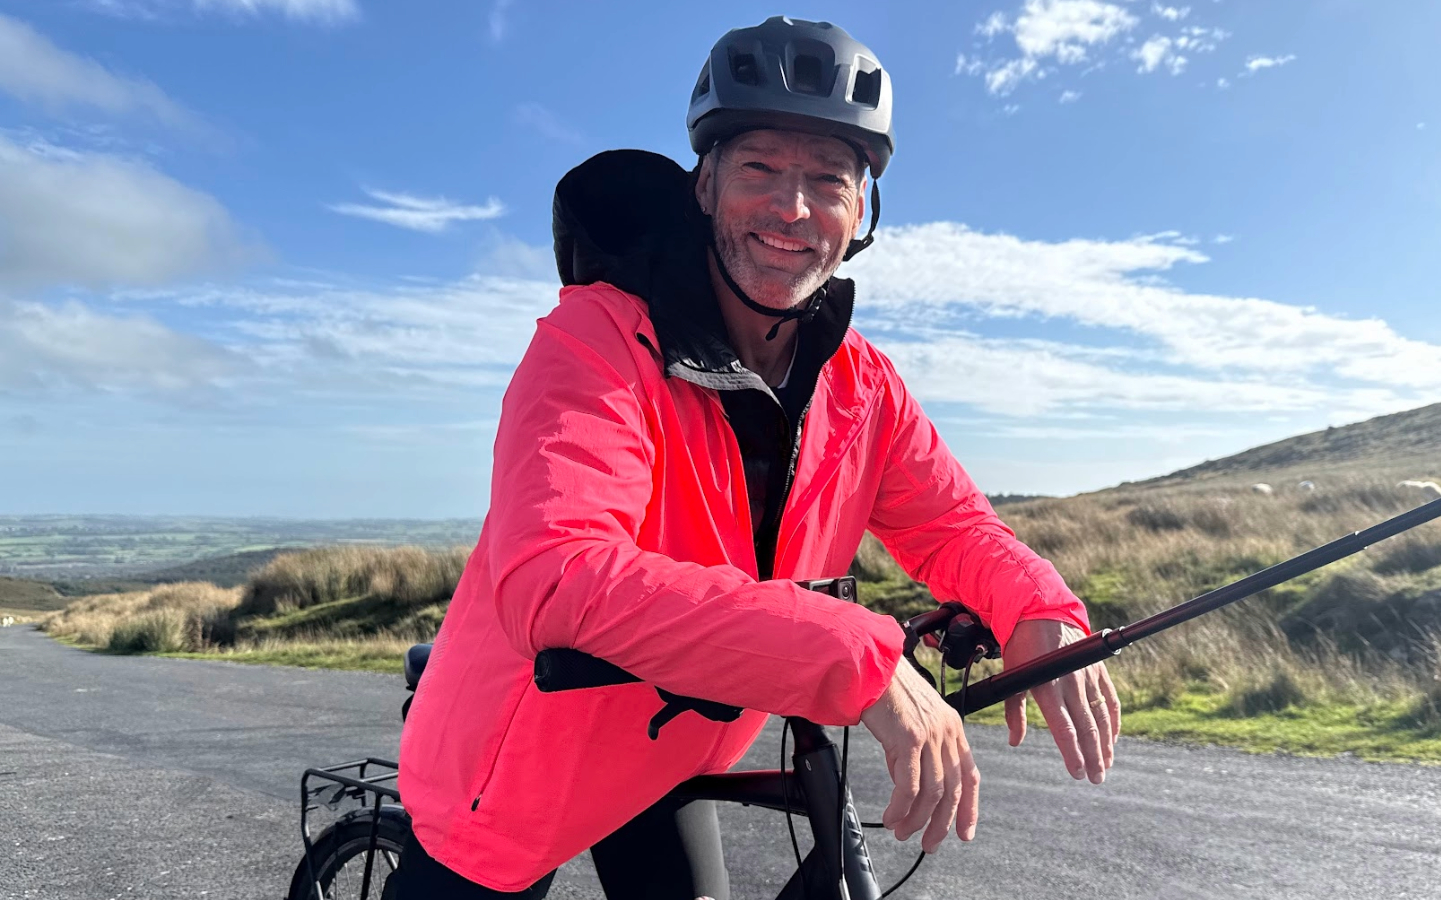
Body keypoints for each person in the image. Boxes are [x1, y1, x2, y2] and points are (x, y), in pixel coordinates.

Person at [391, 15, 1121, 899]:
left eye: (829, 179)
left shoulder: (860, 384)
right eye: (761, 169)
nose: (793, 208)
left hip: (663, 754)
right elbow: (558, 575)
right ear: (704, 187)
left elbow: (952, 524)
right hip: (514, 769)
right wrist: (859, 657)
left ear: (862, 215)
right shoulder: (597, 341)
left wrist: (1035, 604)